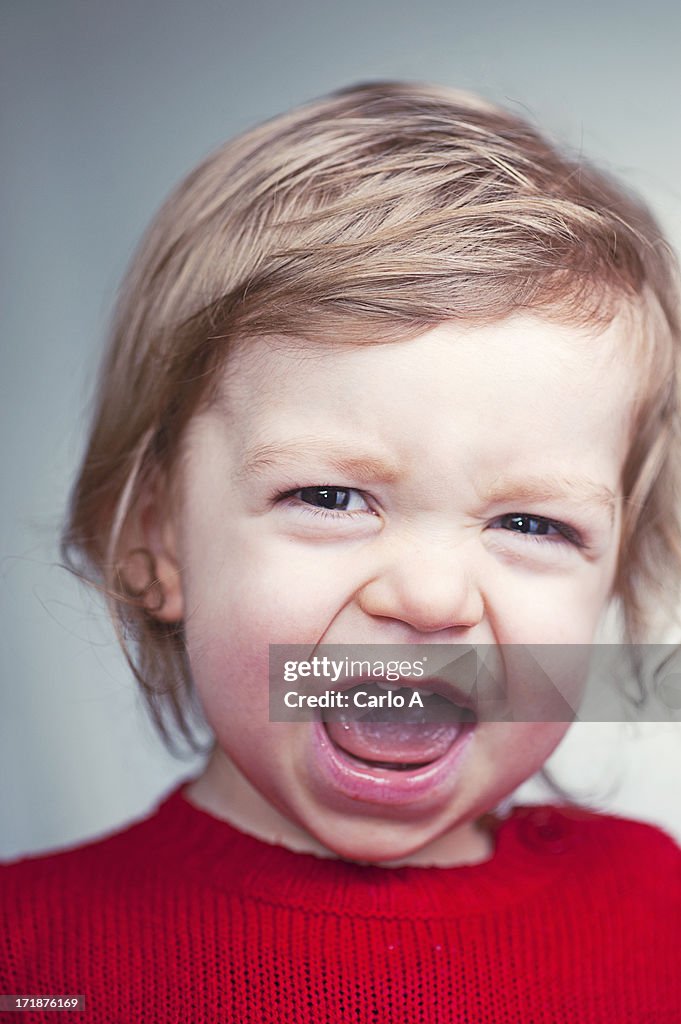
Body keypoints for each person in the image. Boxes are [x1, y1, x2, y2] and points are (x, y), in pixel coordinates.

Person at [2, 81, 680, 1022]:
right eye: (329, 496)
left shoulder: (657, 910)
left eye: (533, 524)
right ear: (154, 540)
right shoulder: (26, 954)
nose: (433, 597)